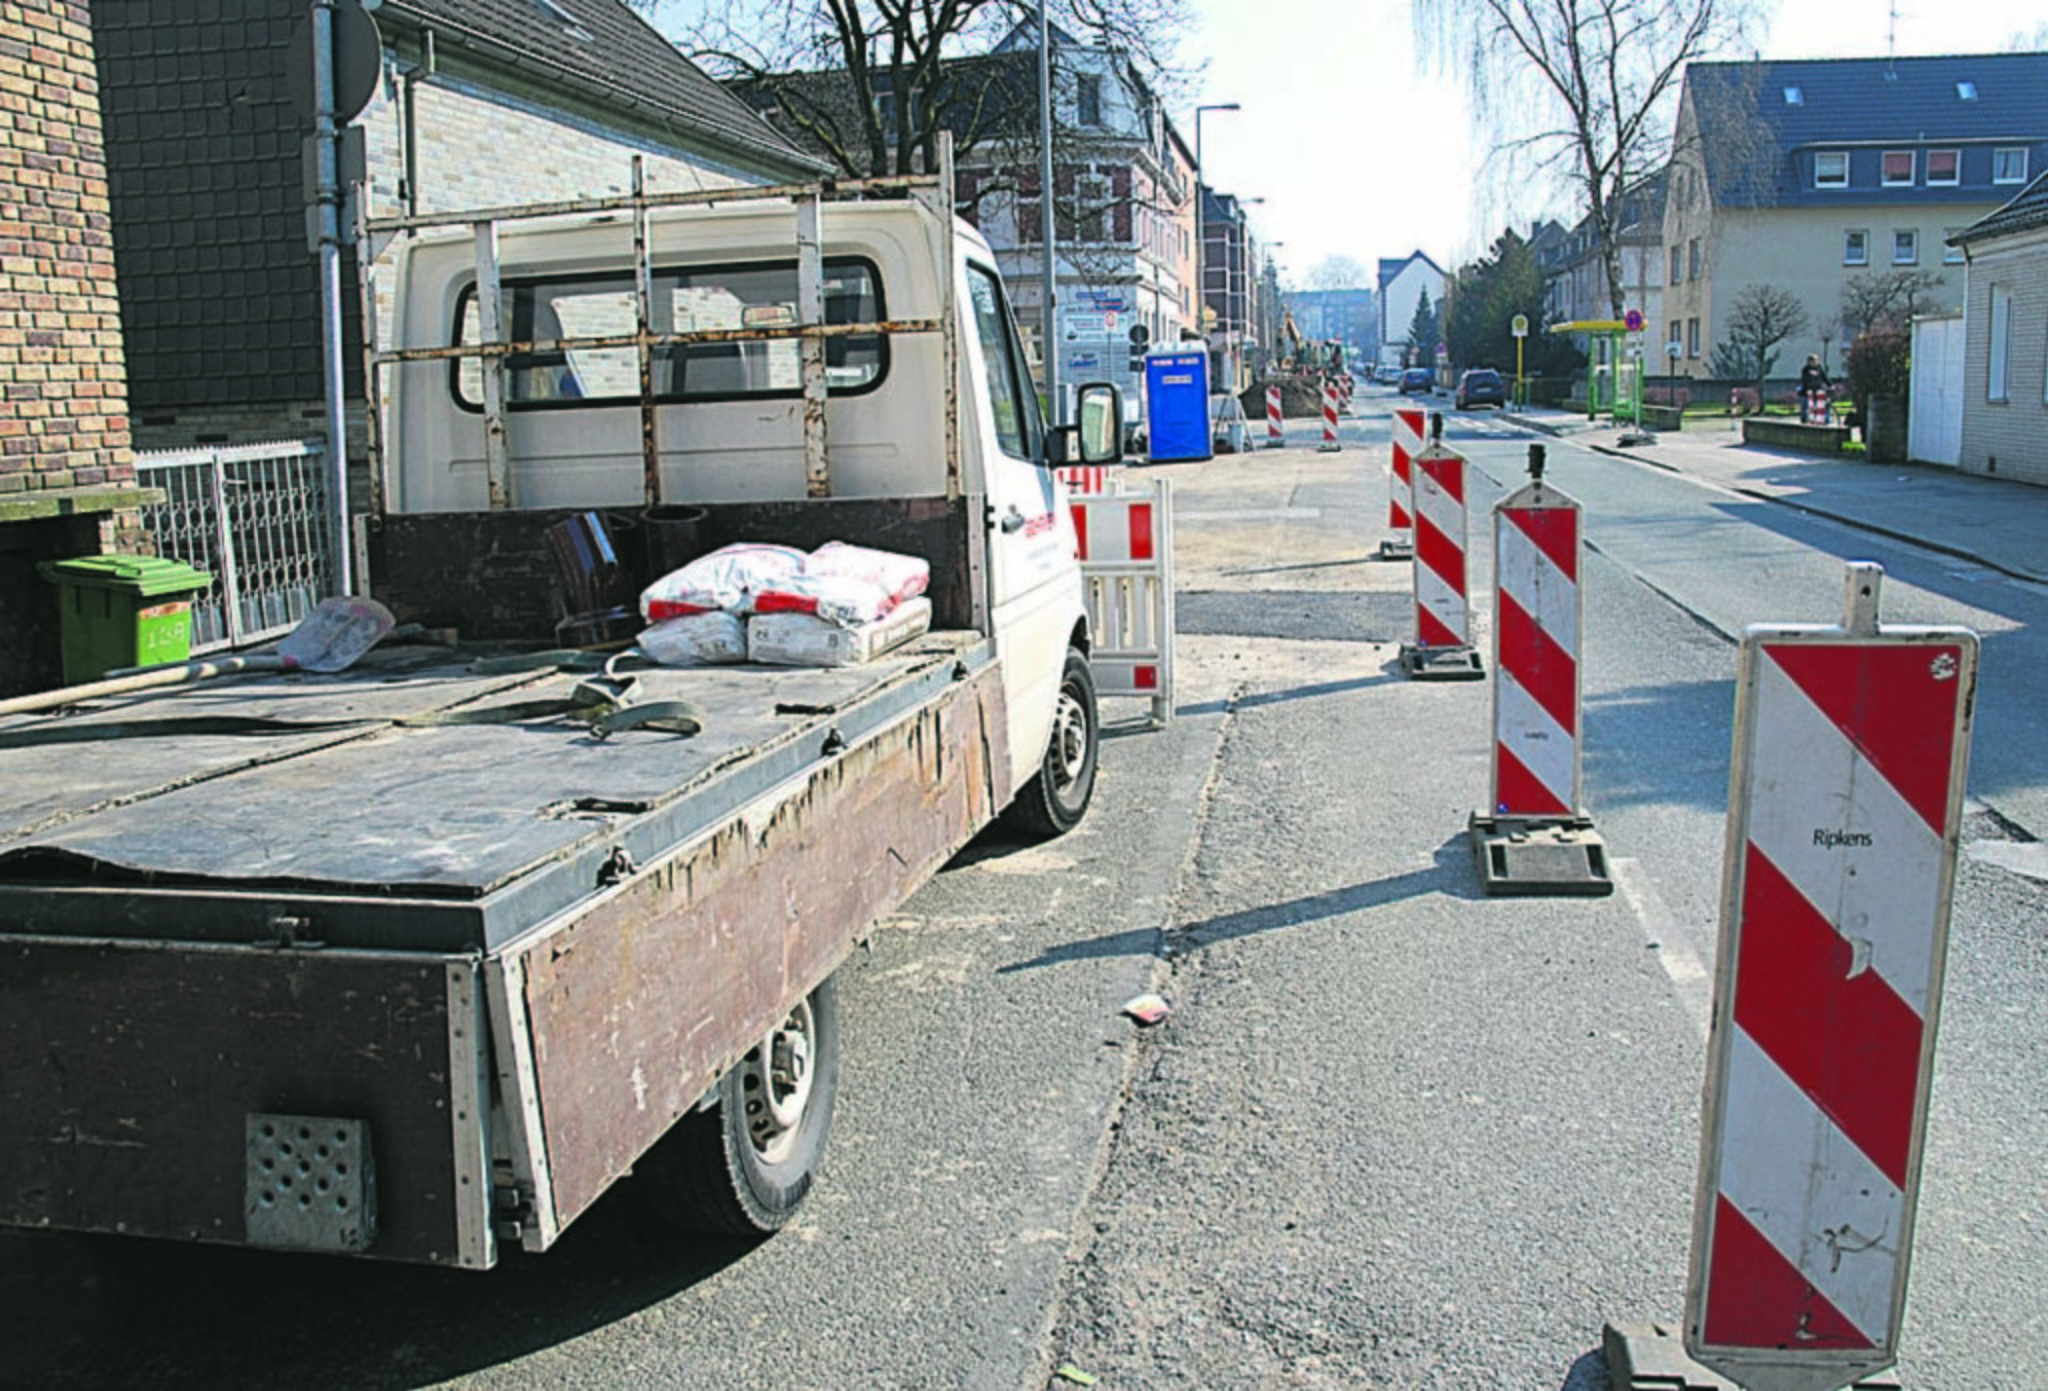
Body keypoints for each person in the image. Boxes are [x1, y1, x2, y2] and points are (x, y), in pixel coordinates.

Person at [1799, 354, 1831, 424]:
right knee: (1807, 406)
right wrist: (1807, 388)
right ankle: (1805, 419)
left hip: (1818, 391)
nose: (1816, 362)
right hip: (1808, 391)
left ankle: (1826, 419)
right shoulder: (1806, 370)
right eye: (1814, 361)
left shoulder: (1820, 369)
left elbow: (1824, 378)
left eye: (1817, 361)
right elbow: (1805, 380)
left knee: (1823, 405)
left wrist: (1830, 385)